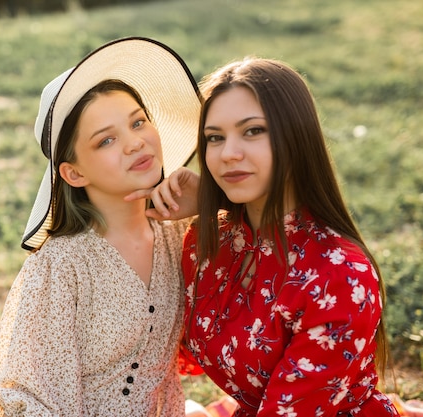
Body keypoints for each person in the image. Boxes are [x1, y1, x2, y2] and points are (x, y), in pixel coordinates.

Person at [139, 57, 400, 416]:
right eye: (215, 137)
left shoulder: (338, 277)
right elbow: (164, 352)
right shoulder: (211, 240)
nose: (228, 154)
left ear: (296, 136)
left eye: (253, 131)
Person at [0, 37, 201, 417]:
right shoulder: (62, 265)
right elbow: (27, 394)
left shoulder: (179, 232)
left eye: (139, 121)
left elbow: (283, 246)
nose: (134, 143)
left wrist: (211, 200)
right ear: (74, 172)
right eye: (107, 139)